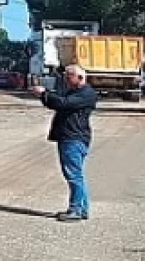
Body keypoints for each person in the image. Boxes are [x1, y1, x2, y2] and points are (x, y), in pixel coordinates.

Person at [31, 64, 97, 221]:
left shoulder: (86, 94)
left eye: (69, 76)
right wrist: (45, 96)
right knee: (76, 174)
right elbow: (58, 102)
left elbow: (63, 103)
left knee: (73, 175)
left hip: (73, 138)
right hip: (71, 137)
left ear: (80, 77)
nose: (65, 79)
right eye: (65, 76)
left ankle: (75, 209)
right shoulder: (74, 92)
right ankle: (82, 208)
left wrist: (44, 94)